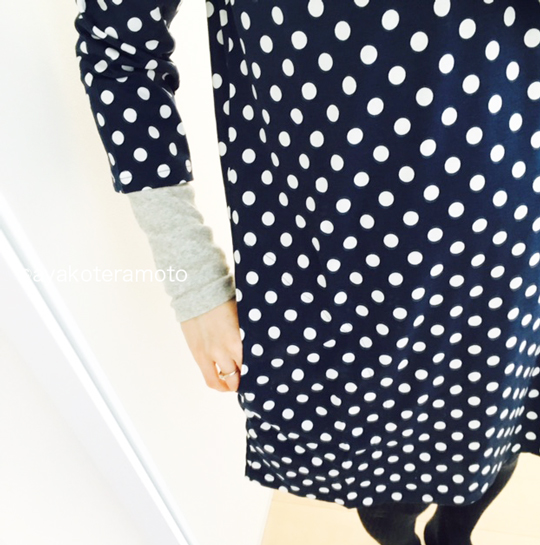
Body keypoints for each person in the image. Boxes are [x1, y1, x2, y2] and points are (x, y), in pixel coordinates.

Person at [73, 0, 540, 543]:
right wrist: (192, 276)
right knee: (385, 489)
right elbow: (116, 48)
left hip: (518, 259)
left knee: (495, 442)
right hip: (340, 283)